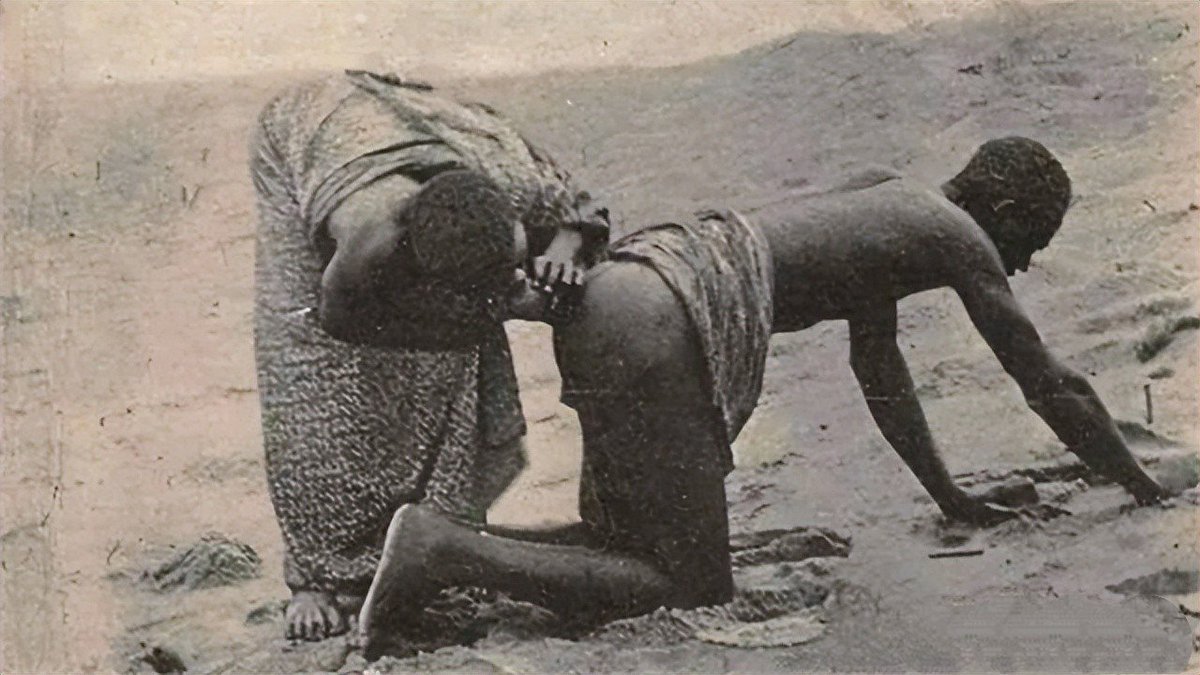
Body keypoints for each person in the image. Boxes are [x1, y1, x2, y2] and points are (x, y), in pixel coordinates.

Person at [347, 136, 1169, 656]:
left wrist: (949, 494)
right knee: (690, 586)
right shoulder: (957, 239)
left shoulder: (891, 196)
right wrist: (1145, 486)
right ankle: (437, 549)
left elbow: (879, 368)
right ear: (1008, 211)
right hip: (661, 320)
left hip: (633, 289)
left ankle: (446, 545)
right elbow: (1050, 383)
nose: (1021, 265)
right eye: (1030, 243)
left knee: (620, 539)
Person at [249, 70, 609, 641]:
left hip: (402, 137)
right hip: (303, 135)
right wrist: (472, 320)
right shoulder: (368, 234)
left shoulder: (507, 185)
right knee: (311, 387)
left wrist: (563, 251)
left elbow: (577, 210)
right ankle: (314, 578)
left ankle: (442, 539)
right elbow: (338, 322)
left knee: (458, 372)